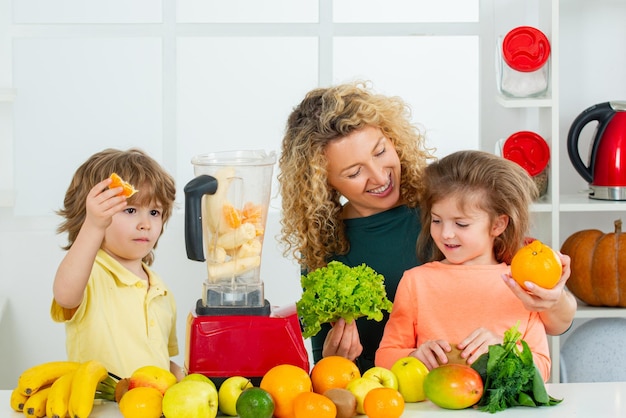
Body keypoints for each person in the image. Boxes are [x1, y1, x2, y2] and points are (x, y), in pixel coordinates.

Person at [278, 81, 575, 373]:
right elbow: (322, 364)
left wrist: (554, 298)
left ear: (392, 137)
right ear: (322, 183)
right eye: (355, 172)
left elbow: (545, 320)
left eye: (380, 152)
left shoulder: (447, 205)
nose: (380, 176)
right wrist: (337, 360)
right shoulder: (324, 244)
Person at [375, 150, 554, 381]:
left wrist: (505, 352)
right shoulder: (416, 282)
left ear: (497, 225)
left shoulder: (520, 284)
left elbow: (543, 370)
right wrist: (414, 356)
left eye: (461, 224)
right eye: (437, 220)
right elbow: (385, 357)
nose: (446, 234)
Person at [51, 148, 183, 380]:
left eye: (155, 212)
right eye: (130, 210)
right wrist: (93, 226)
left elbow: (160, 360)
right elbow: (65, 295)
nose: (146, 224)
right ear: (91, 214)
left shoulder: (161, 291)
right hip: (99, 409)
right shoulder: (90, 272)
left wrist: (187, 380)